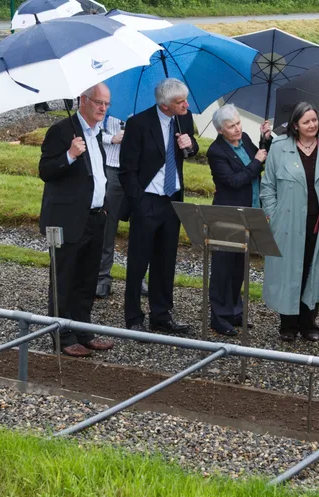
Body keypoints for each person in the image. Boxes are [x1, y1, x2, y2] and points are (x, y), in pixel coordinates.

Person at [38, 83, 115, 357]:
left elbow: (97, 174)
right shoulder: (61, 131)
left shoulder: (96, 132)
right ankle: (62, 334)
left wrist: (104, 207)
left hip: (95, 217)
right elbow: (46, 170)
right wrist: (70, 155)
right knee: (64, 278)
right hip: (67, 219)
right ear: (83, 100)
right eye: (98, 102)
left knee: (87, 279)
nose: (103, 108)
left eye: (106, 103)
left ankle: (83, 330)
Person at [119, 78, 198, 334]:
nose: (186, 105)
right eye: (180, 102)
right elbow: (127, 169)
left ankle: (161, 314)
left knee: (166, 260)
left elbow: (191, 150)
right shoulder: (139, 124)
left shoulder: (184, 119)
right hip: (148, 200)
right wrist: (139, 202)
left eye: (185, 99)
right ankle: (133, 317)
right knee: (139, 261)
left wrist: (190, 145)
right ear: (165, 105)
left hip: (172, 199)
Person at [260, 102, 319, 342]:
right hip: (287, 221)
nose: (312, 125)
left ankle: (309, 323)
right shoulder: (279, 146)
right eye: (306, 122)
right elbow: (268, 185)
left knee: (314, 269)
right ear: (295, 125)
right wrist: (273, 215)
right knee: (289, 270)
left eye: (314, 120)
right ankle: (287, 324)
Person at [207, 104, 272, 336]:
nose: (237, 128)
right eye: (231, 126)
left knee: (239, 266)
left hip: (249, 211)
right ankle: (219, 317)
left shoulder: (244, 138)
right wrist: (256, 162)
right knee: (223, 267)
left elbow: (261, 156)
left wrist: (265, 139)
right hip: (227, 215)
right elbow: (234, 181)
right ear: (220, 130)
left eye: (238, 123)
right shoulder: (216, 151)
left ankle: (235, 311)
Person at [95, 113, 125, 299]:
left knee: (141, 229)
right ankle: (102, 278)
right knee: (108, 226)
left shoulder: (146, 105)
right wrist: (112, 138)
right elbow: (93, 132)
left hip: (139, 171)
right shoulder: (107, 104)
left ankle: (139, 278)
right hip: (112, 168)